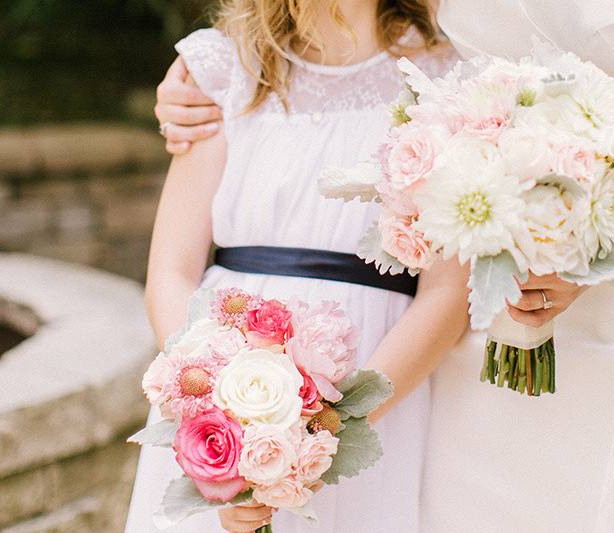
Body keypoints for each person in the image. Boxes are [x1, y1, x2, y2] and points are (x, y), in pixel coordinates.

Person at [154, 0, 614, 531]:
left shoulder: (420, 70)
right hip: (489, 280)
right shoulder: (234, 74)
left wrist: (590, 245)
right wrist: (207, 70)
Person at [125, 1, 468, 532]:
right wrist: (212, 406)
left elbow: (446, 295)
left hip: (376, 389)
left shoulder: (447, 78)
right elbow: (170, 273)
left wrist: (332, 426)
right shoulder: (224, 68)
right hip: (221, 382)